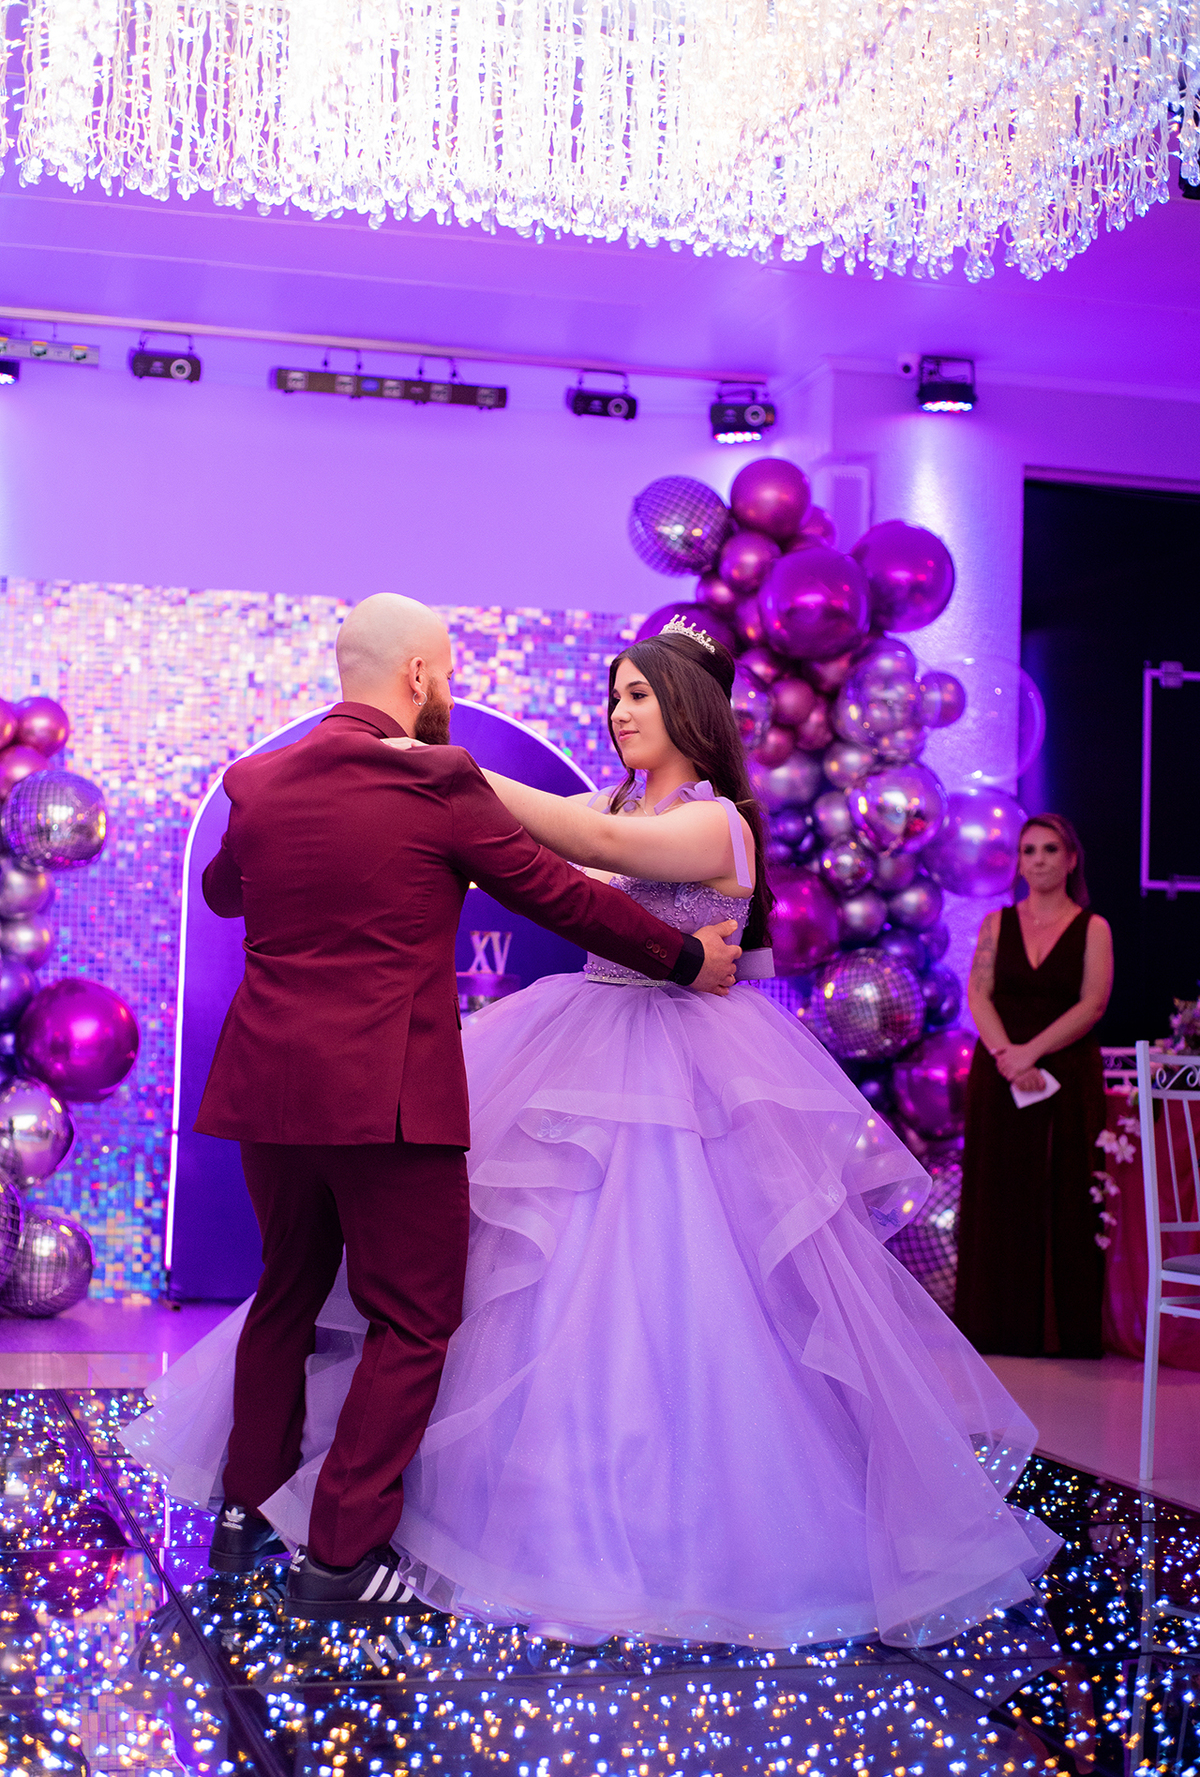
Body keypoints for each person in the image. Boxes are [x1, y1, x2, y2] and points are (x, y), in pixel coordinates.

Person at [126, 619, 1059, 1649]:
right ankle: (342, 1514)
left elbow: (598, 855)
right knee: (490, 1286)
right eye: (614, 696)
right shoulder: (596, 799)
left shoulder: (718, 824)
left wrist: (436, 767)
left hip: (687, 1067)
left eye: (640, 697)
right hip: (586, 1030)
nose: (620, 714)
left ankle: (642, 1521)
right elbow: (552, 847)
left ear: (694, 713)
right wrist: (427, 782)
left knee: (666, 1286)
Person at [160, 593, 741, 1622]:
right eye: (451, 673)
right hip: (387, 1095)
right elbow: (559, 898)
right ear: (421, 677)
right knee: (415, 1318)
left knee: (286, 1292)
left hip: (267, 1089)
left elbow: (223, 894)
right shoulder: (433, 777)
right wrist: (687, 954)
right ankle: (342, 1555)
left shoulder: (257, 780)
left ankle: (247, 1514)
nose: (455, 692)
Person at [956, 813, 1113, 1357]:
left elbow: (1092, 1003)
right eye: (1029, 851)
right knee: (998, 1193)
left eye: (1050, 849)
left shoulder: (1093, 927)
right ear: (1019, 862)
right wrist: (1006, 1056)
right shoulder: (997, 923)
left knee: (1061, 1192)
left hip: (1064, 1073)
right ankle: (993, 1327)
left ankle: (1058, 1331)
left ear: (1071, 859)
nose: (1039, 859)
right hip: (1000, 1073)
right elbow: (979, 995)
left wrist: (1030, 1052)